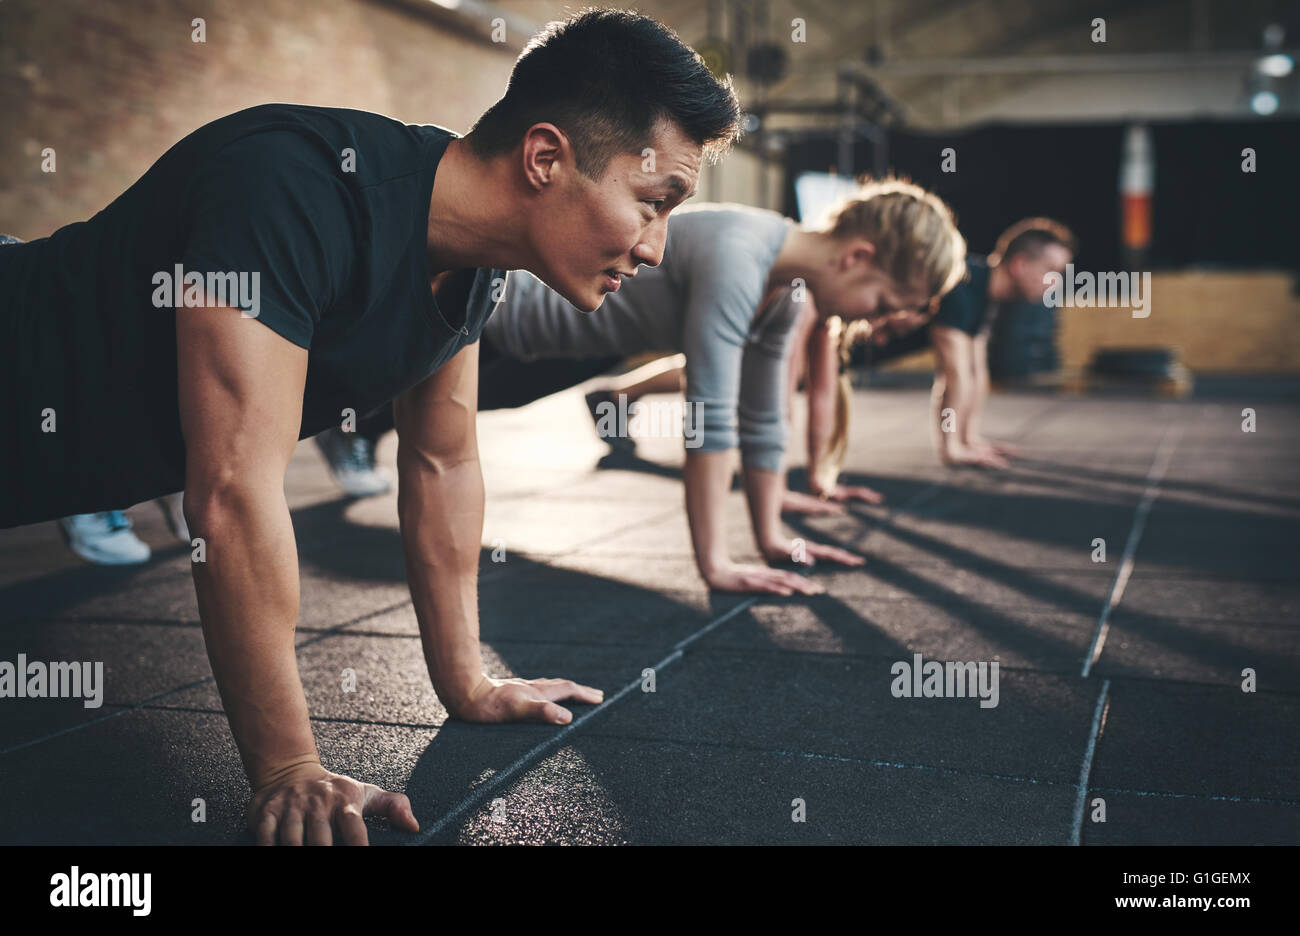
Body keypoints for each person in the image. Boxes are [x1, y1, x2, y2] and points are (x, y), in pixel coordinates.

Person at [0, 9, 742, 845]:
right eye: (653, 203)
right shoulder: (292, 185)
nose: (656, 247)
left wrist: (466, 681)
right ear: (544, 158)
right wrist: (288, 770)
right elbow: (234, 491)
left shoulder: (471, 271)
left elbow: (443, 461)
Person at [350, 180, 965, 594]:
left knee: (476, 403)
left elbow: (763, 418)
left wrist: (773, 537)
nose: (873, 321)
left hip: (571, 347)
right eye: (882, 303)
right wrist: (716, 565)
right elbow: (710, 416)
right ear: (857, 256)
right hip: (496, 317)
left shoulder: (790, 290)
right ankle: (342, 422)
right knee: (380, 397)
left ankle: (353, 420)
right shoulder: (740, 253)